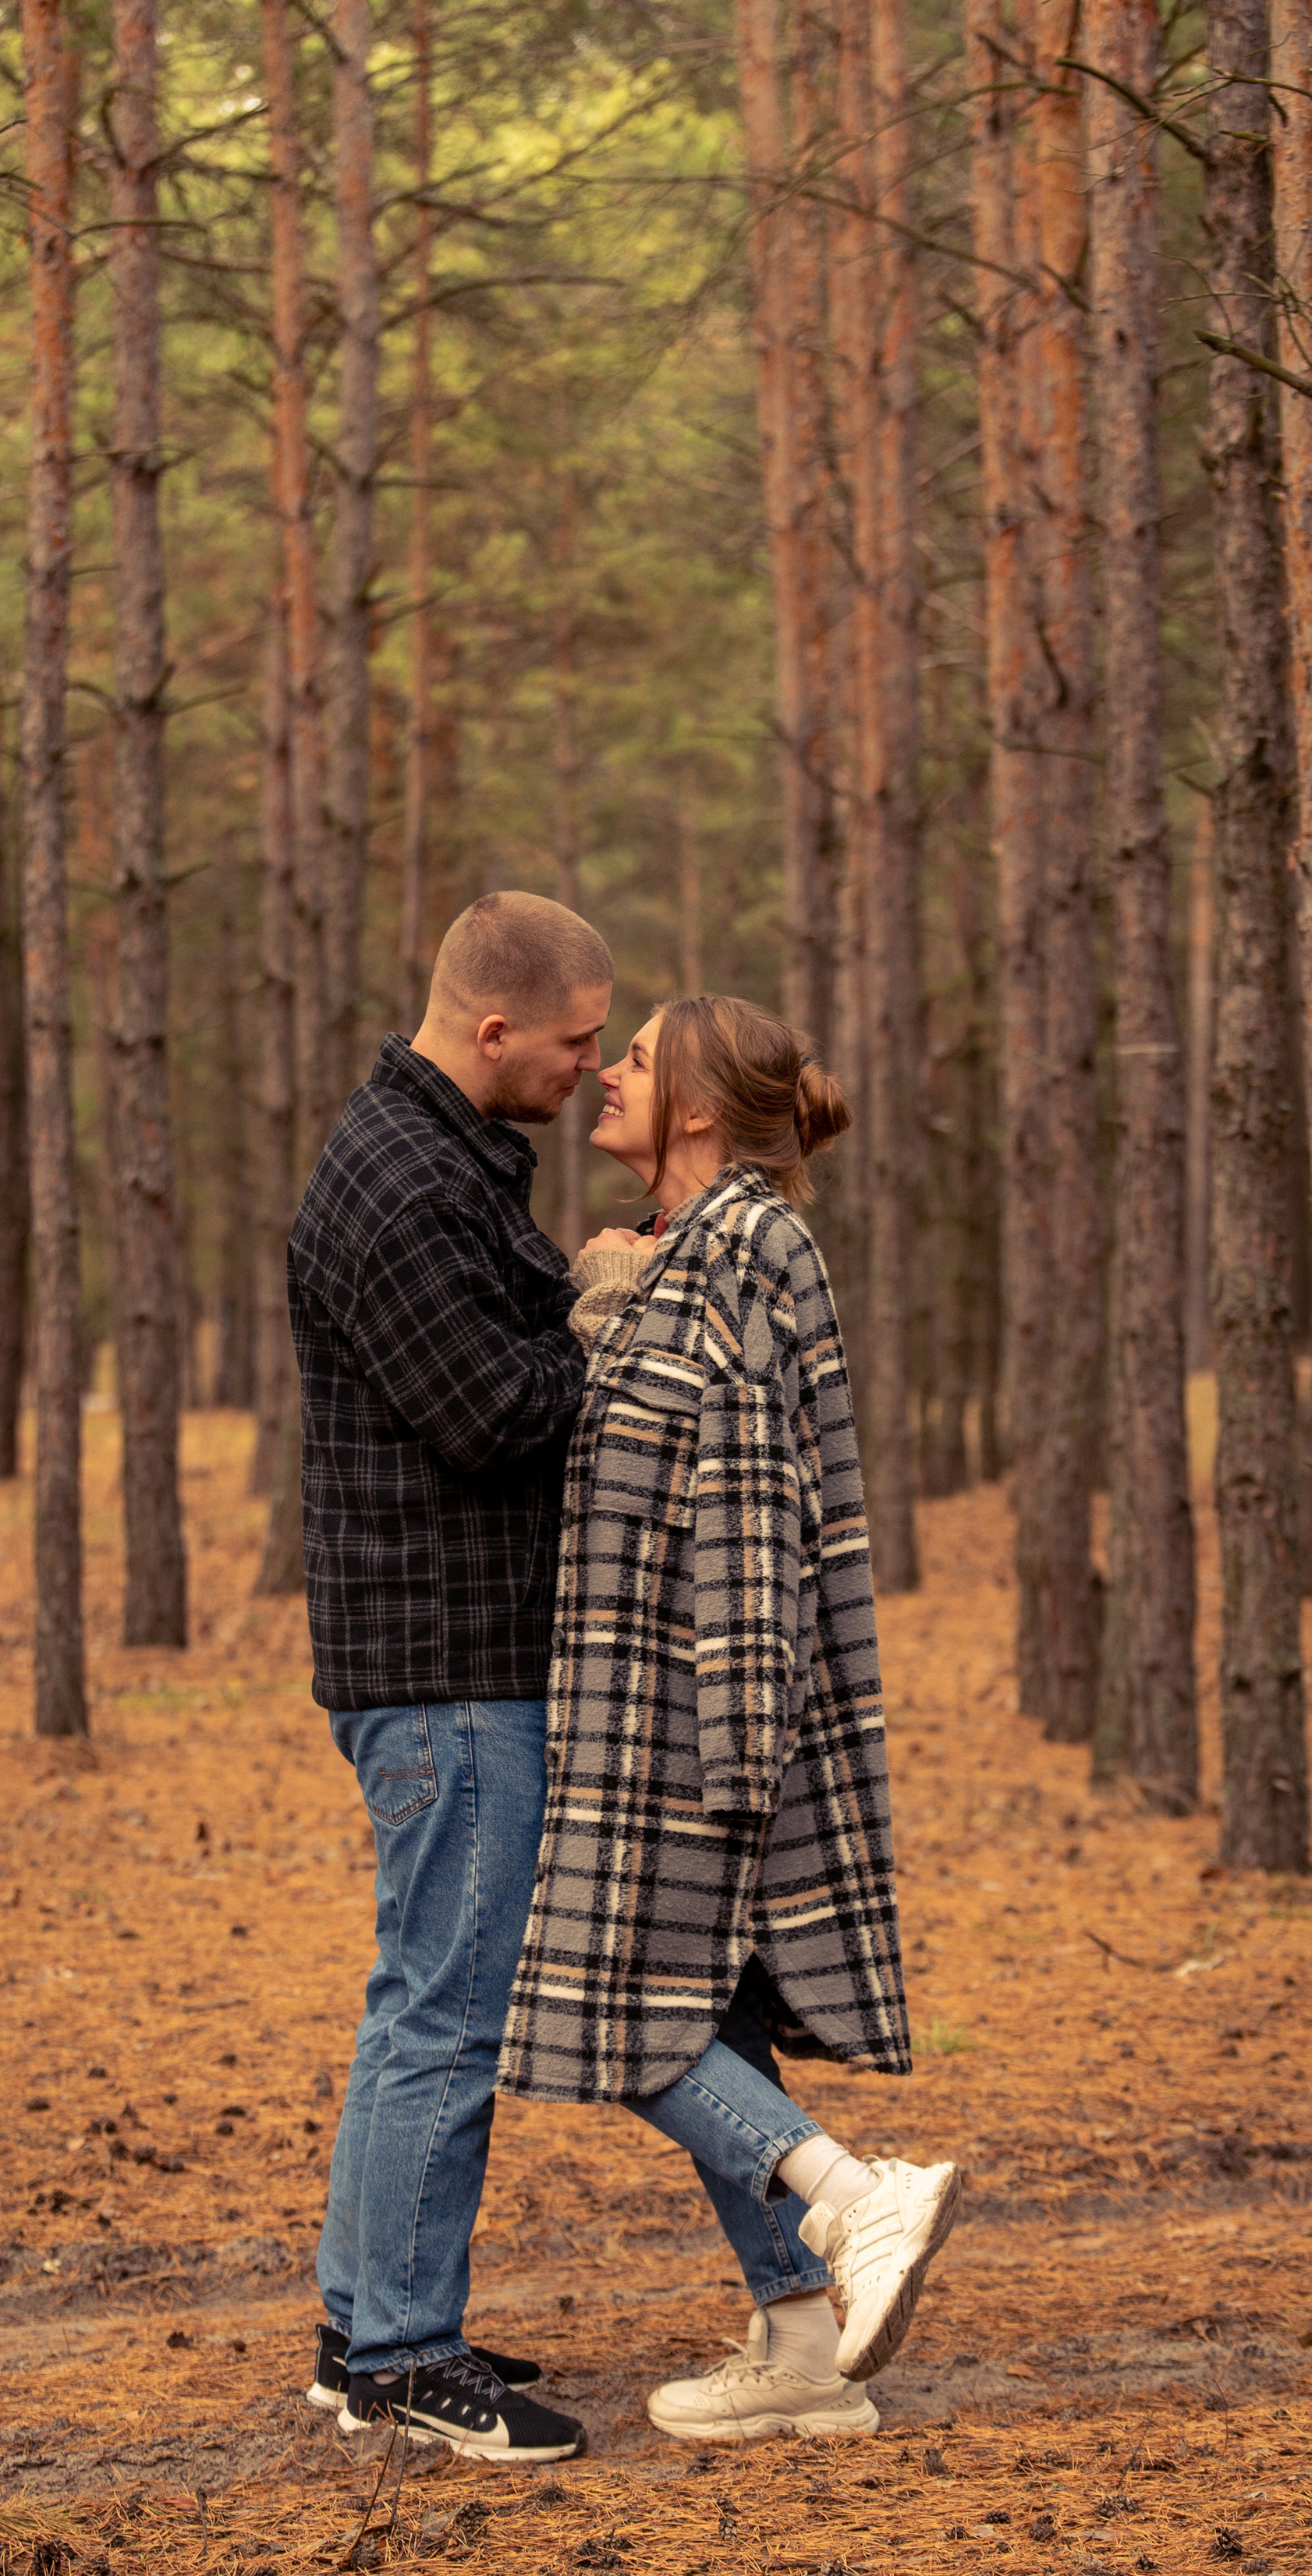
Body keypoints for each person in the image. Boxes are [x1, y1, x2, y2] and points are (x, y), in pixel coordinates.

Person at [499, 992, 962, 2443]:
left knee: (618, 2010)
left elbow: (759, 1503)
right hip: (650, 1706)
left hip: (692, 1718)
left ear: (698, 1105)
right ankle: (803, 2345)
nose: (608, 1076)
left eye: (633, 1059)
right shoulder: (692, 1255)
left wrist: (739, 1749)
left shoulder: (753, 1245)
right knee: (700, 2013)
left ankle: (853, 2198)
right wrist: (605, 1304)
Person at [289, 891, 612, 2464]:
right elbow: (488, 1414)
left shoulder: (434, 1161)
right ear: (492, 1031)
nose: (592, 1069)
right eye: (574, 1042)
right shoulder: (405, 1183)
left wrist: (574, 1292)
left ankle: (367, 2321)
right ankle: (407, 2356)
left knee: (410, 1996)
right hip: (447, 1667)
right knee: (445, 2015)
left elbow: (494, 1353)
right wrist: (603, 1324)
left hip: (441, 1660)